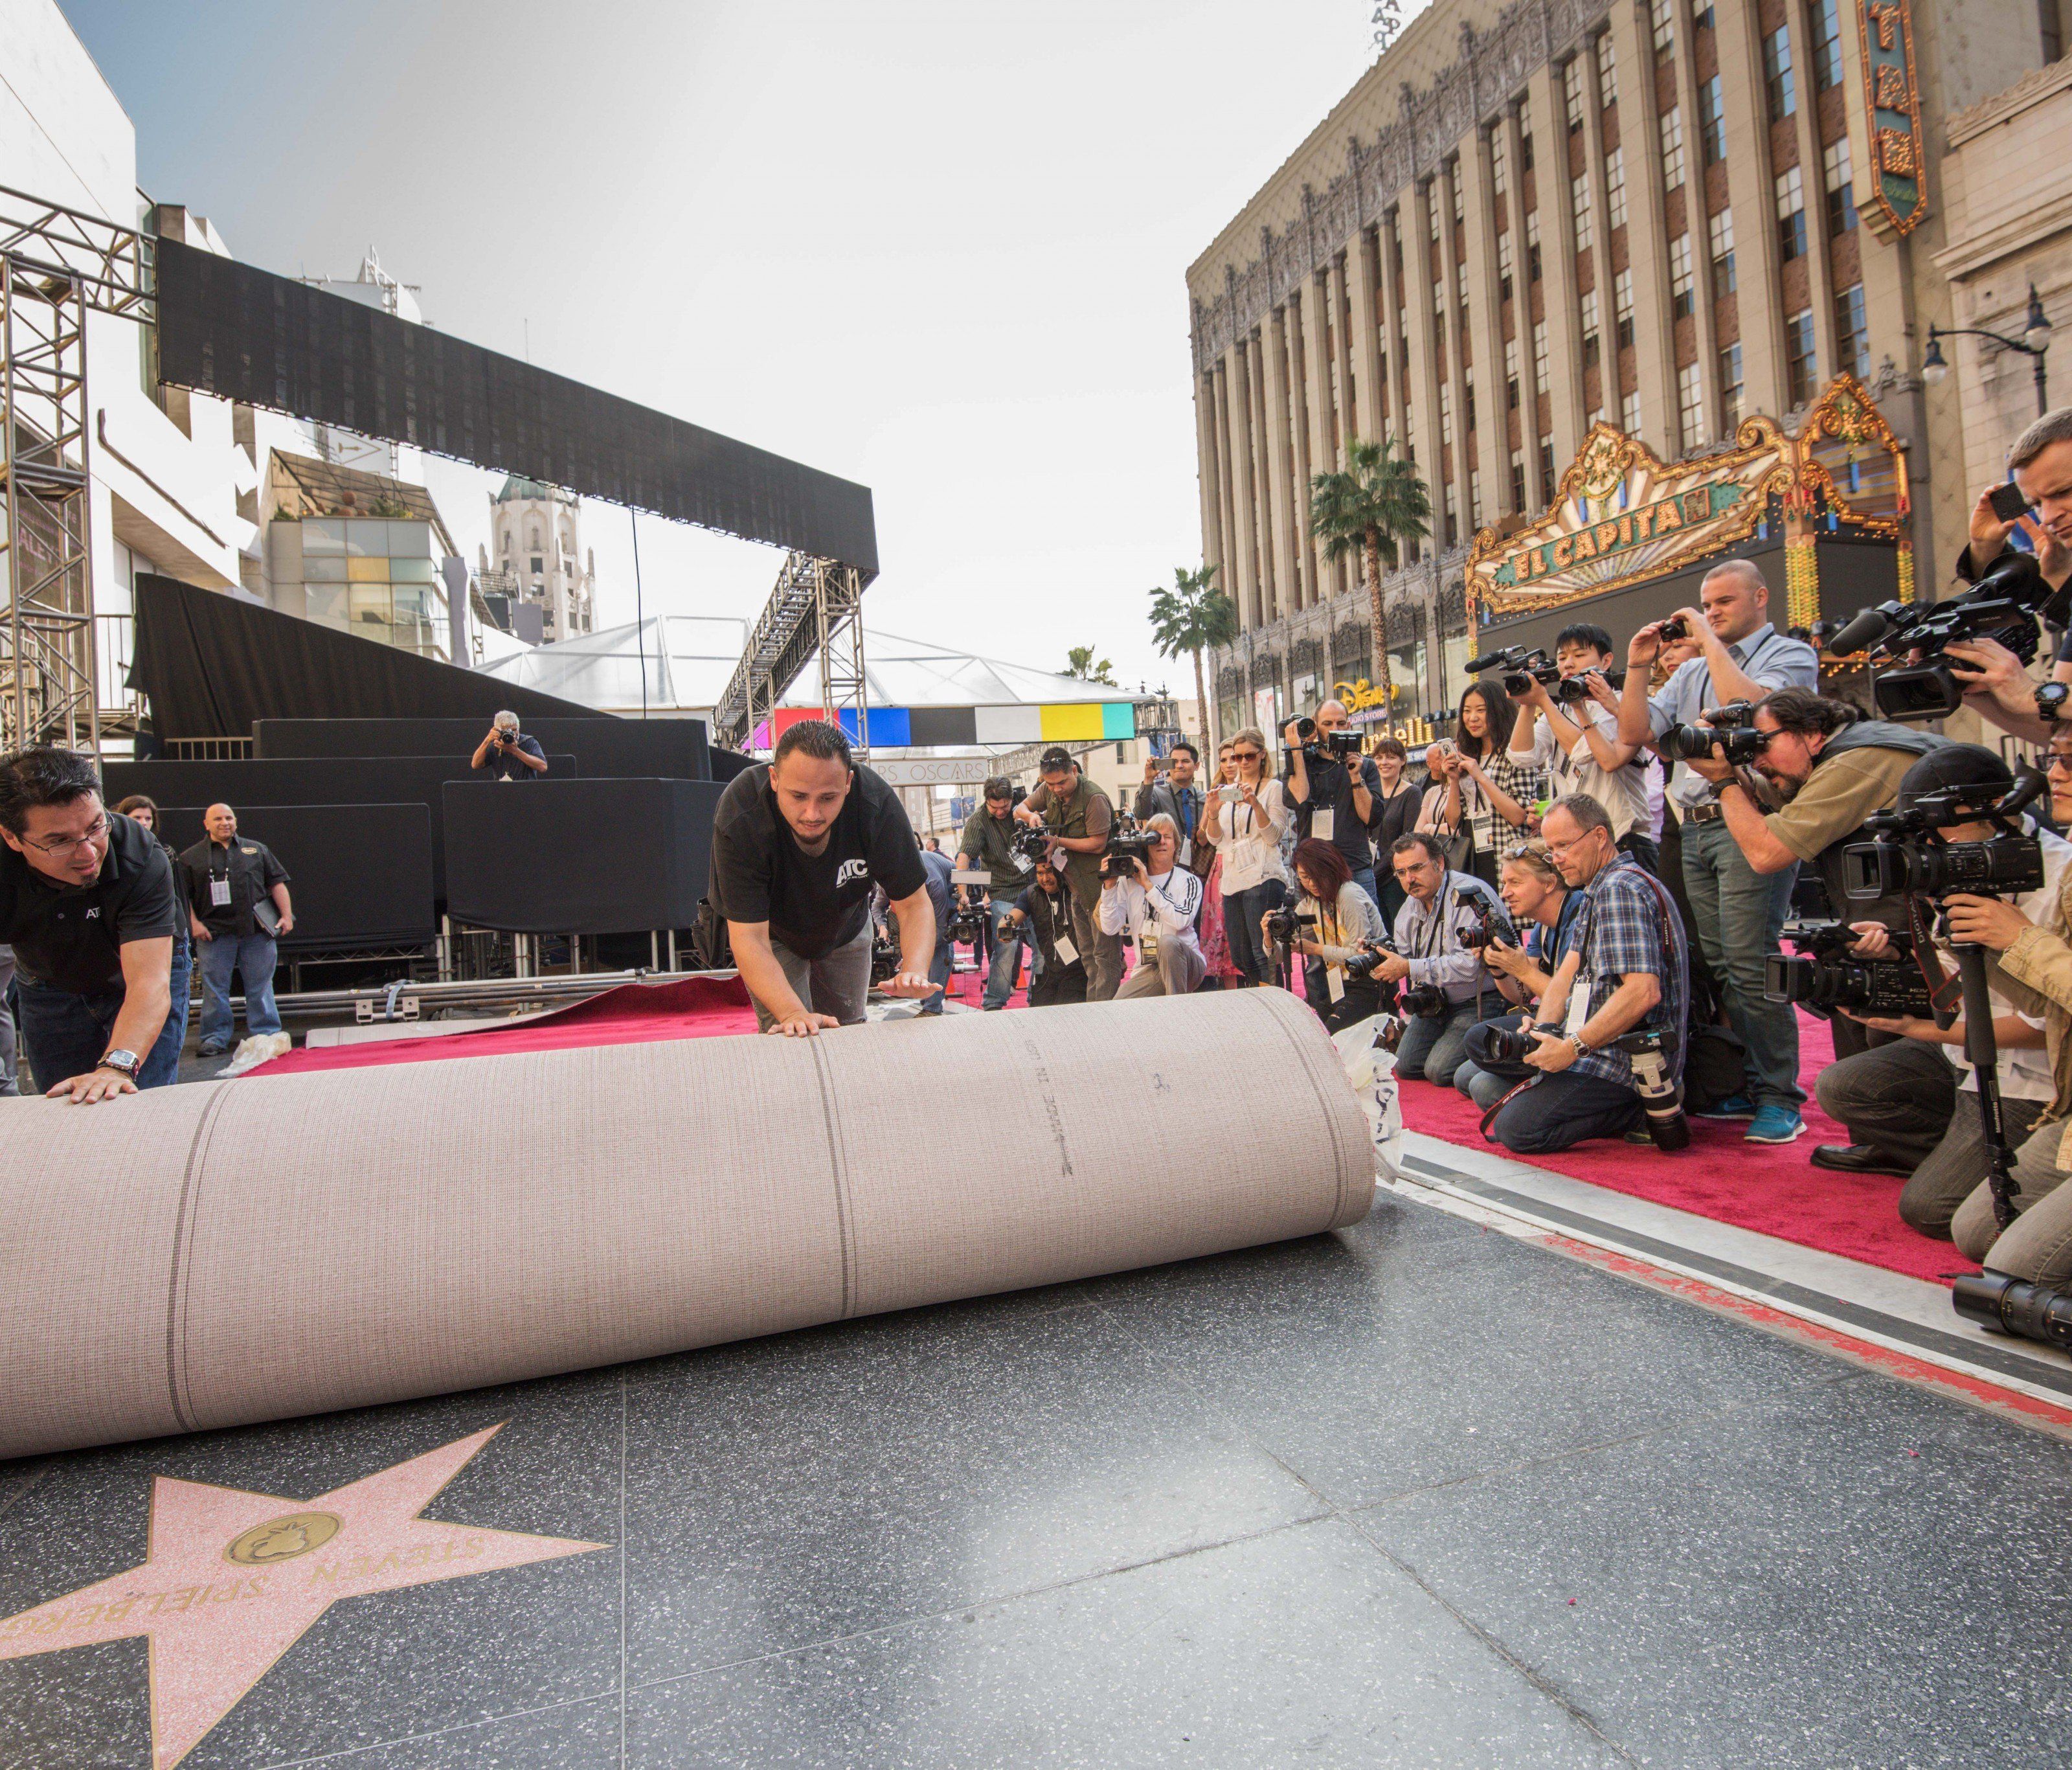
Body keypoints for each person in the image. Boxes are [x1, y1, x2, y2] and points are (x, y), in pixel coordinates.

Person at [1616, 559, 1819, 1144]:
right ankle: (1748, 1080)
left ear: (1761, 596)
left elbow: (1761, 714)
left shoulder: (1790, 654)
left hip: (1754, 818)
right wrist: (1636, 663)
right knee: (1720, 964)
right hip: (1697, 823)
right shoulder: (1691, 672)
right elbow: (1633, 731)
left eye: (1724, 602)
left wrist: (1705, 640)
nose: (1712, 613)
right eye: (1706, 606)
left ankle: (1781, 1095)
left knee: (1753, 960)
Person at [1812, 747, 2071, 1198]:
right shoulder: (1951, 854)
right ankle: (1953, 1156)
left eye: (1938, 822)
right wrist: (1895, 952)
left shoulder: (2060, 873)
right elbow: (1953, 974)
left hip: (2030, 1074)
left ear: (1988, 808)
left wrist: (1919, 1029)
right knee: (1844, 1086)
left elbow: (2048, 1025)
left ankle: (1993, 1170)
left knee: (1929, 1209)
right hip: (1965, 1054)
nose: (1930, 837)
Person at [1681, 687, 1946, 1078]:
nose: (1758, 760)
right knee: (1853, 1000)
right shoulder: (1837, 756)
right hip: (1883, 911)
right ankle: (1872, 1140)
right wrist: (1730, 767)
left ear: (1811, 733)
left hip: (1926, 924)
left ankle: (1912, 1133)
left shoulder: (1858, 761)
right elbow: (1776, 799)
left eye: (1762, 745)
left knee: (1892, 1034)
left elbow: (1766, 853)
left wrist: (1724, 782)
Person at [1485, 793, 1689, 1155]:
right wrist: (1545, 1032)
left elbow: (1643, 993)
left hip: (1626, 1060)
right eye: (1552, 849)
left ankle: (1637, 1110)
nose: (1557, 859)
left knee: (1516, 1130)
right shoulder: (1599, 889)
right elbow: (1564, 977)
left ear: (1599, 837)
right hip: (1595, 1044)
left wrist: (1571, 1048)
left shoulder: (1619, 889)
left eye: (1564, 845)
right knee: (1483, 1066)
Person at [708, 719, 940, 1034]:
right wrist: (791, 1012)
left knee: (848, 1032)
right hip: (774, 937)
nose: (813, 814)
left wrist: (914, 971)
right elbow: (749, 938)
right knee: (793, 1035)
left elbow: (913, 903)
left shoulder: (876, 803)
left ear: (848, 783)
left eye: (828, 798)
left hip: (847, 927)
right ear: (774, 778)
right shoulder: (742, 813)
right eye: (799, 796)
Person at [0, 747, 178, 1102]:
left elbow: (149, 983)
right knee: (64, 1106)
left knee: (134, 1100)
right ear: (11, 838)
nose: (89, 853)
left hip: (137, 973)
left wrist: (117, 1066)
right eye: (59, 841)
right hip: (47, 983)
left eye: (96, 826)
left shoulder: (139, 856)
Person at [1506, 622, 1656, 872]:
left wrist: (1543, 699)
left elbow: (1587, 752)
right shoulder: (1559, 711)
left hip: (1623, 839)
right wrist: (1527, 703)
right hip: (1578, 843)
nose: (1568, 663)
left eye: (1579, 655)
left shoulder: (1621, 702)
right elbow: (1522, 756)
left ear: (1606, 660)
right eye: (1562, 657)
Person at [1373, 832, 1512, 1088]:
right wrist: (1379, 957)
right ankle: (1453, 1040)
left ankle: (1494, 1037)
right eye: (1401, 873)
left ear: (1440, 863)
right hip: (1435, 1002)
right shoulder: (1410, 906)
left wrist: (1408, 967)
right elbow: (1404, 955)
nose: (1409, 879)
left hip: (1480, 998)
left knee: (1438, 1070)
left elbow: (1471, 966)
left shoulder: (1469, 895)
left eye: (1416, 868)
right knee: (1405, 1065)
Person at [1455, 840, 1581, 1109]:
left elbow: (1570, 999)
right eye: (1504, 884)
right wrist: (1500, 966)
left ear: (1548, 884)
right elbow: (1521, 996)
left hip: (1578, 1031)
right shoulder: (1542, 925)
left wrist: (1522, 969)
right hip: (1550, 1021)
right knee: (1465, 1076)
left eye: (1515, 883)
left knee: (1480, 1080)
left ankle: (1552, 1086)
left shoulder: (1578, 914)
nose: (1505, 894)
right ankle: (1538, 1084)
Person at [179, 803, 295, 1058]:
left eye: (229, 817)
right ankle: (214, 1038)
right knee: (214, 988)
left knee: (261, 986)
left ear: (236, 821)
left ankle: (265, 1034)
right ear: (206, 824)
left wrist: (286, 915)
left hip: (256, 932)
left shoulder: (256, 850)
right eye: (218, 819)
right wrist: (194, 924)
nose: (225, 823)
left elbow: (277, 883)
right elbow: (183, 896)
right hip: (214, 934)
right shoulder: (190, 857)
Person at [1015, 747, 1124, 1001]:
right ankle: (1094, 1008)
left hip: (1100, 887)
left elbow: (1098, 843)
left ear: (1074, 771)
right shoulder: (1050, 788)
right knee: (1087, 955)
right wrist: (1031, 816)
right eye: (1050, 784)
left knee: (1105, 958)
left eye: (1062, 782)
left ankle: (1107, 1012)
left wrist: (1058, 841)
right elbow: (1019, 808)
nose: (1056, 789)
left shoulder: (1093, 797)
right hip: (1075, 886)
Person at [1420, 685, 1543, 887]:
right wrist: (1453, 780)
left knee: (1509, 909)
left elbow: (1518, 816)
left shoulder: (1515, 754)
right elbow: (1453, 821)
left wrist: (1481, 777)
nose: (1473, 718)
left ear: (1497, 710)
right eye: (1467, 711)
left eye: (1481, 710)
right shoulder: (1468, 755)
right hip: (1472, 851)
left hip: (1506, 848)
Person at [113, 794, 194, 1085]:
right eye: (137, 818)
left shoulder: (165, 853)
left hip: (167, 941)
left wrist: (187, 933)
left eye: (148, 818)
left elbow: (179, 898)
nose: (144, 823)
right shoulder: (113, 854)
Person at [1270, 837, 1390, 1032]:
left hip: (1371, 982)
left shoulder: (1349, 895)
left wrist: (1315, 949)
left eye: (1318, 876)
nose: (1312, 883)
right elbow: (1277, 955)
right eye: (1304, 878)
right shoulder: (1311, 902)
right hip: (1341, 984)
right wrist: (1270, 933)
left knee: (1330, 1034)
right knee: (1312, 1032)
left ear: (1332, 868)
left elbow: (1361, 955)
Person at [1200, 725, 1288, 988]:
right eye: (1238, 757)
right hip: (1233, 879)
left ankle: (1275, 1006)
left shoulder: (1273, 788)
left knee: (1263, 952)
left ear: (1262, 754)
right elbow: (1215, 840)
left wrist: (1255, 805)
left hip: (1264, 875)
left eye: (1249, 756)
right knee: (1240, 955)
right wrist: (1213, 812)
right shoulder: (1228, 790)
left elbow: (1274, 836)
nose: (1243, 762)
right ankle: (1258, 1001)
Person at [1282, 699, 1384, 906]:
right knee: (1314, 936)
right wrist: (1297, 750)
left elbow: (1371, 818)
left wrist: (1355, 775)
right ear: (1315, 726)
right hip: (1313, 871)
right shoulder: (1301, 762)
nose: (1335, 729)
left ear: (1348, 726)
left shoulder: (1366, 766)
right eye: (1327, 724)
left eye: (1341, 723)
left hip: (1355, 867)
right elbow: (1298, 799)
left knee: (1366, 936)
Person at [1096, 813, 1205, 999]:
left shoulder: (1189, 881)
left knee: (1168, 942)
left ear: (1176, 845)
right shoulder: (1128, 881)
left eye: (1167, 837)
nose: (1161, 842)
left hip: (1187, 964)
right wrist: (1109, 887)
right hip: (1149, 969)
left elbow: (1182, 921)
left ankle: (1178, 1012)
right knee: (1118, 1006)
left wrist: (1148, 885)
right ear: (1145, 845)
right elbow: (1110, 927)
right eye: (1154, 837)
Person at [956, 777, 1031, 1011]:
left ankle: (1041, 997)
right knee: (1006, 944)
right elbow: (964, 858)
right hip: (1003, 891)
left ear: (1012, 800)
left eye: (1005, 807)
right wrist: (963, 894)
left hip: (1034, 886)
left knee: (1043, 946)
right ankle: (994, 1003)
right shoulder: (978, 821)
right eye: (994, 807)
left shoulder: (1025, 807)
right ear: (986, 801)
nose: (1000, 812)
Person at [1006, 857, 1087, 1005]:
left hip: (1080, 969)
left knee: (1068, 1009)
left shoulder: (1076, 889)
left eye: (1050, 872)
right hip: (1050, 969)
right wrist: (1005, 925)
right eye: (1040, 873)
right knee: (1039, 1013)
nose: (1045, 879)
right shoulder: (1031, 893)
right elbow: (1014, 915)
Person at [1366, 736, 1422, 924]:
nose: (1384, 763)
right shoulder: (1369, 793)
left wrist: (1377, 872)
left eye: (1390, 757)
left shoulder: (1411, 793)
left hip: (1396, 879)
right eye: (1379, 757)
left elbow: (1407, 838)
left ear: (1403, 760)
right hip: (1370, 875)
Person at [1132, 740, 1206, 873]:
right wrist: (1148, 779)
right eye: (1175, 762)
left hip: (1201, 866)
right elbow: (1141, 813)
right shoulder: (1156, 794)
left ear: (1196, 766)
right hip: (1166, 867)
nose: (1179, 766)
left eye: (1185, 761)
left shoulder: (1205, 799)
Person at [914, 837, 956, 1017]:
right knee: (925, 943)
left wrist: (921, 951)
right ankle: (929, 994)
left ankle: (933, 1006)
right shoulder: (891, 879)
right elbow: (878, 906)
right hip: (926, 894)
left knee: (941, 945)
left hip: (952, 888)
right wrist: (882, 927)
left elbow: (941, 928)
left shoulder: (933, 882)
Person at [471, 710, 549, 780]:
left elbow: (543, 767)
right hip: (503, 791)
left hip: (526, 789)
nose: (513, 734)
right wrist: (487, 740)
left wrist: (516, 751)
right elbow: (475, 765)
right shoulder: (496, 745)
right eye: (507, 731)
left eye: (515, 730)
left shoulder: (529, 742)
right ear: (498, 730)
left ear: (519, 727)